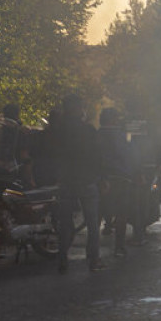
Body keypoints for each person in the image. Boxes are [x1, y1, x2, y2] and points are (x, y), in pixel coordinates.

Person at [45, 94, 102, 273]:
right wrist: (100, 178)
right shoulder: (88, 130)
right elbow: (96, 157)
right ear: (79, 110)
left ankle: (62, 259)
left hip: (66, 182)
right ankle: (93, 259)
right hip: (86, 181)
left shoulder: (57, 132)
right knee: (93, 223)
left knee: (65, 223)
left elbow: (53, 157)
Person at [96, 108, 132, 256]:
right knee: (121, 213)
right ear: (112, 120)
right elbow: (126, 155)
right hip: (119, 178)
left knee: (97, 213)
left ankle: (94, 250)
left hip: (99, 178)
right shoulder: (119, 135)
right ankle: (119, 247)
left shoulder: (96, 135)